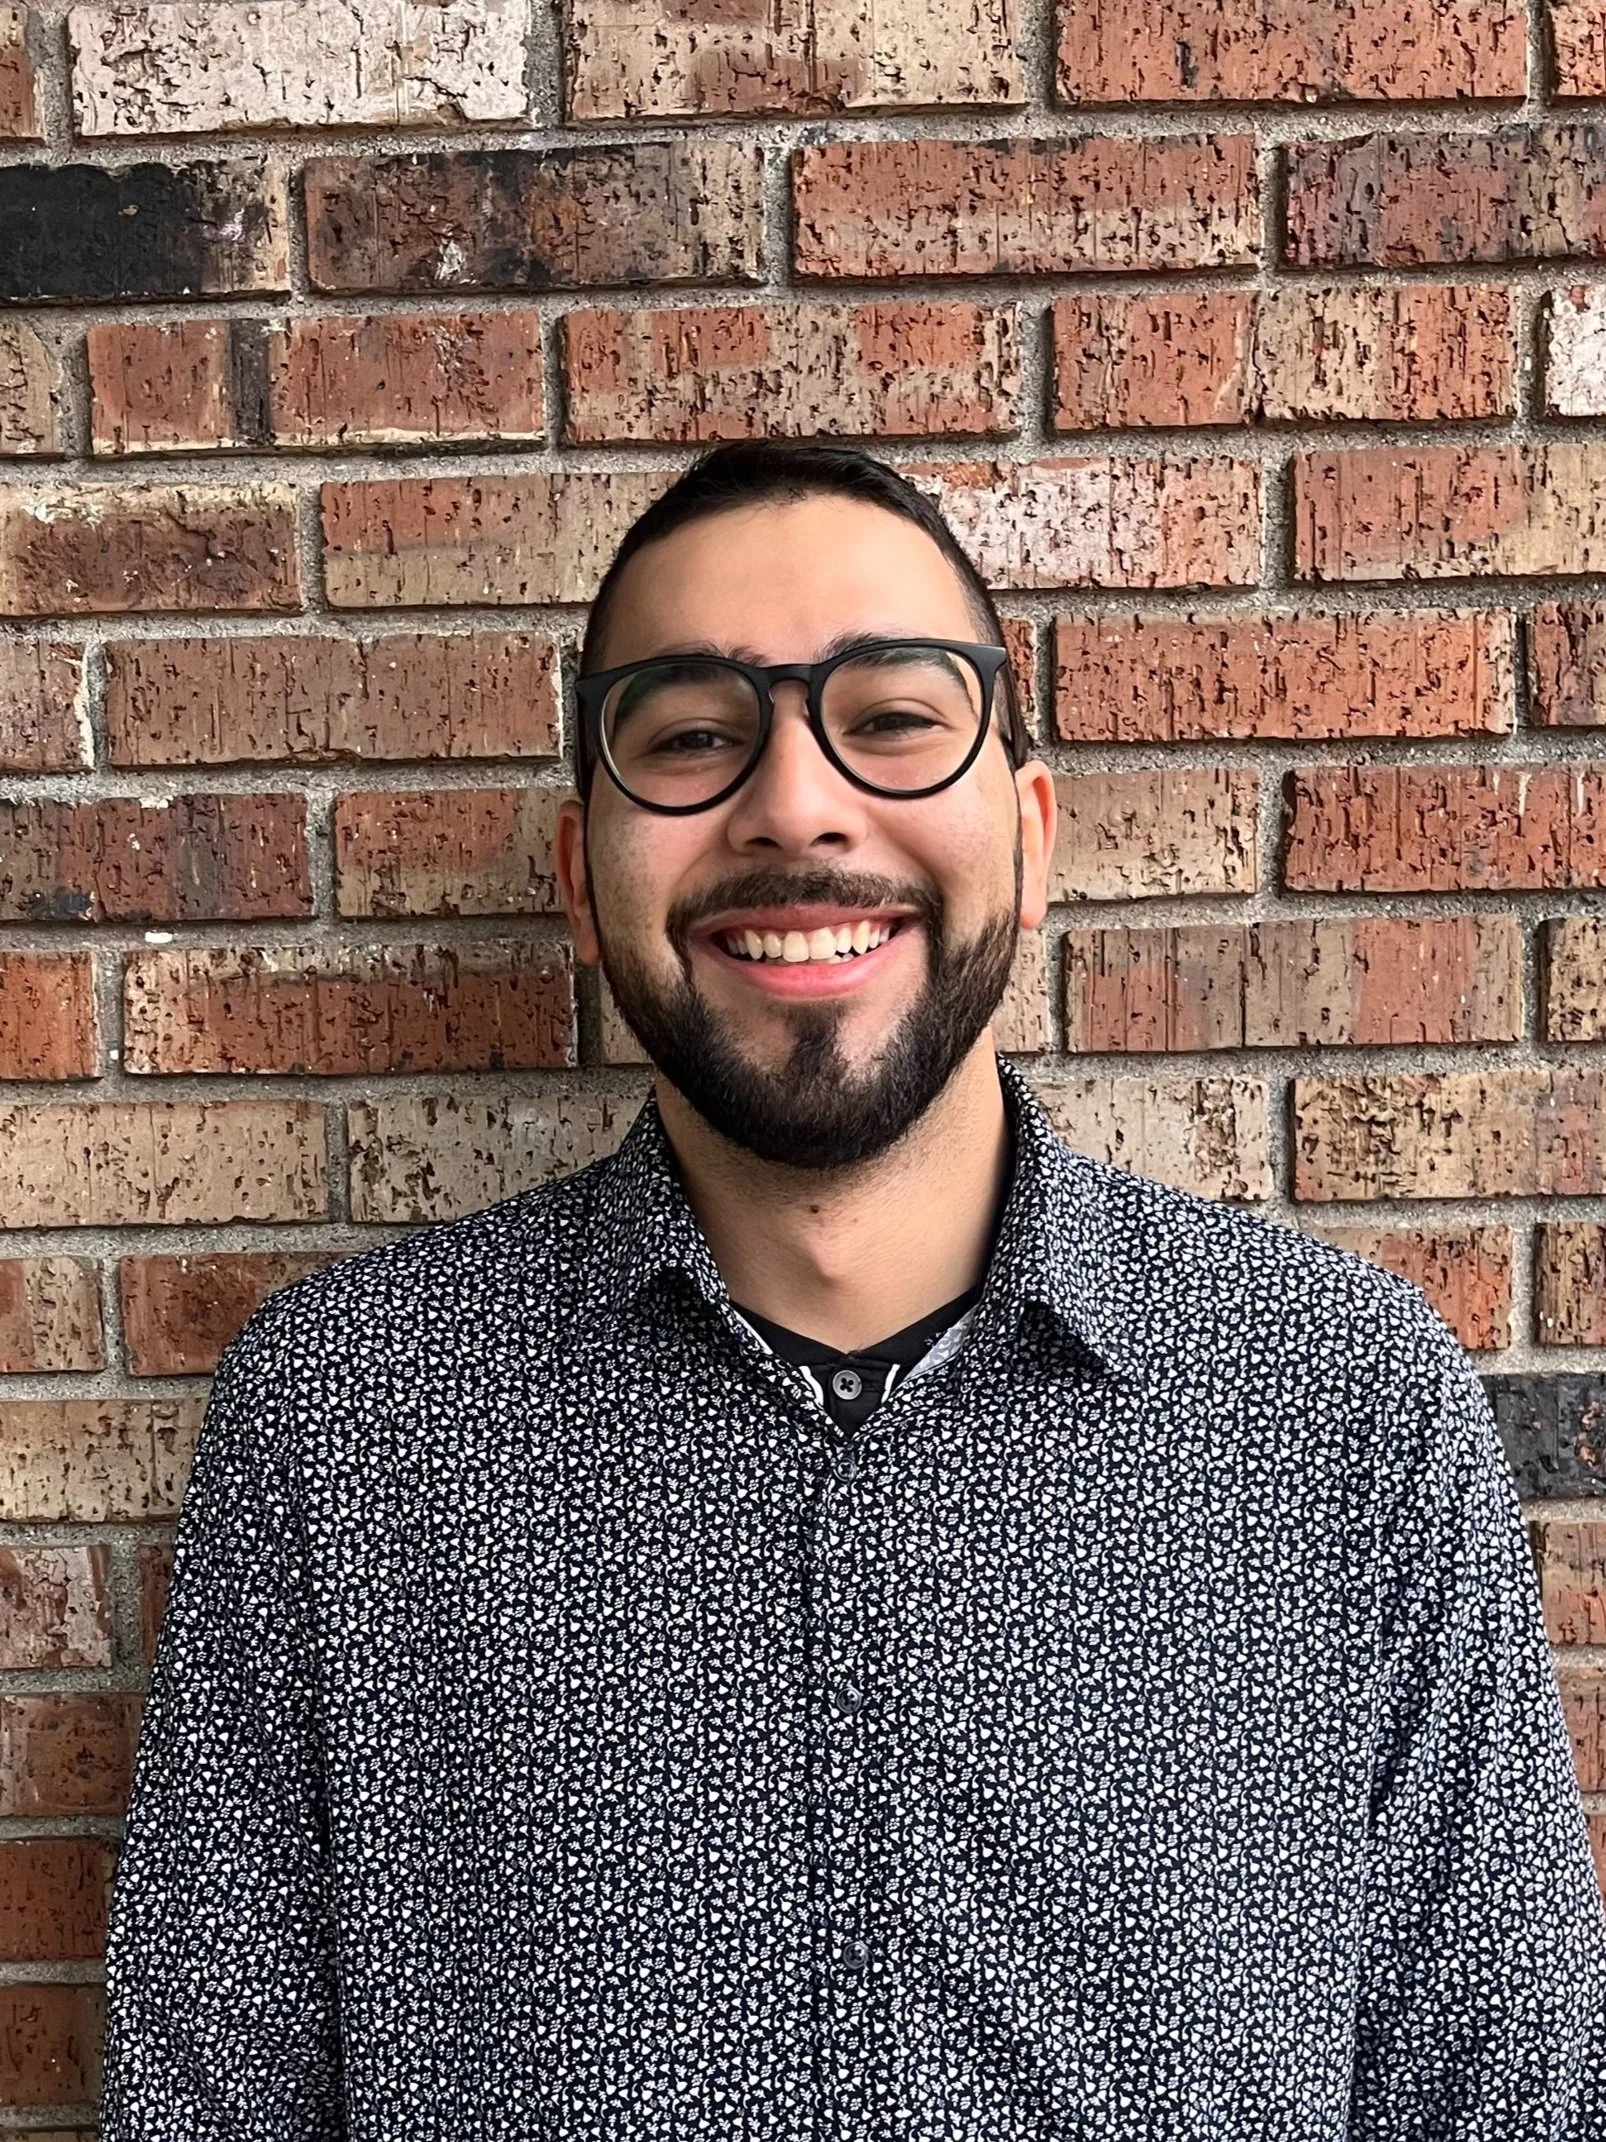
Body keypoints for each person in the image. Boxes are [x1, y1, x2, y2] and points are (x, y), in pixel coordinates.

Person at [101, 440, 1606, 2139]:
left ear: (1030, 841)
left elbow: (1507, 2088)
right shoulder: (344, 1428)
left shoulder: (1338, 1410)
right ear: (582, 888)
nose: (797, 803)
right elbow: (206, 2095)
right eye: (688, 735)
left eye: (891, 718)